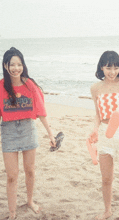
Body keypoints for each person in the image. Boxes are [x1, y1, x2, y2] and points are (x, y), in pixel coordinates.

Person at [0, 47, 56, 219]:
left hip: (28, 129)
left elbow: (40, 111)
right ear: (5, 65)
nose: (16, 68)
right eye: (12, 64)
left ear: (23, 65)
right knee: (12, 176)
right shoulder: (1, 86)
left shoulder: (30, 85)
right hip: (8, 131)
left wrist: (50, 133)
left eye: (19, 64)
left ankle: (30, 201)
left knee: (30, 170)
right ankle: (12, 211)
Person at [89, 51, 119, 220]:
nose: (112, 72)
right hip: (104, 135)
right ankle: (107, 211)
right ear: (102, 67)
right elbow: (98, 114)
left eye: (116, 67)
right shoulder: (95, 88)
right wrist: (94, 129)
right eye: (109, 67)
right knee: (106, 179)